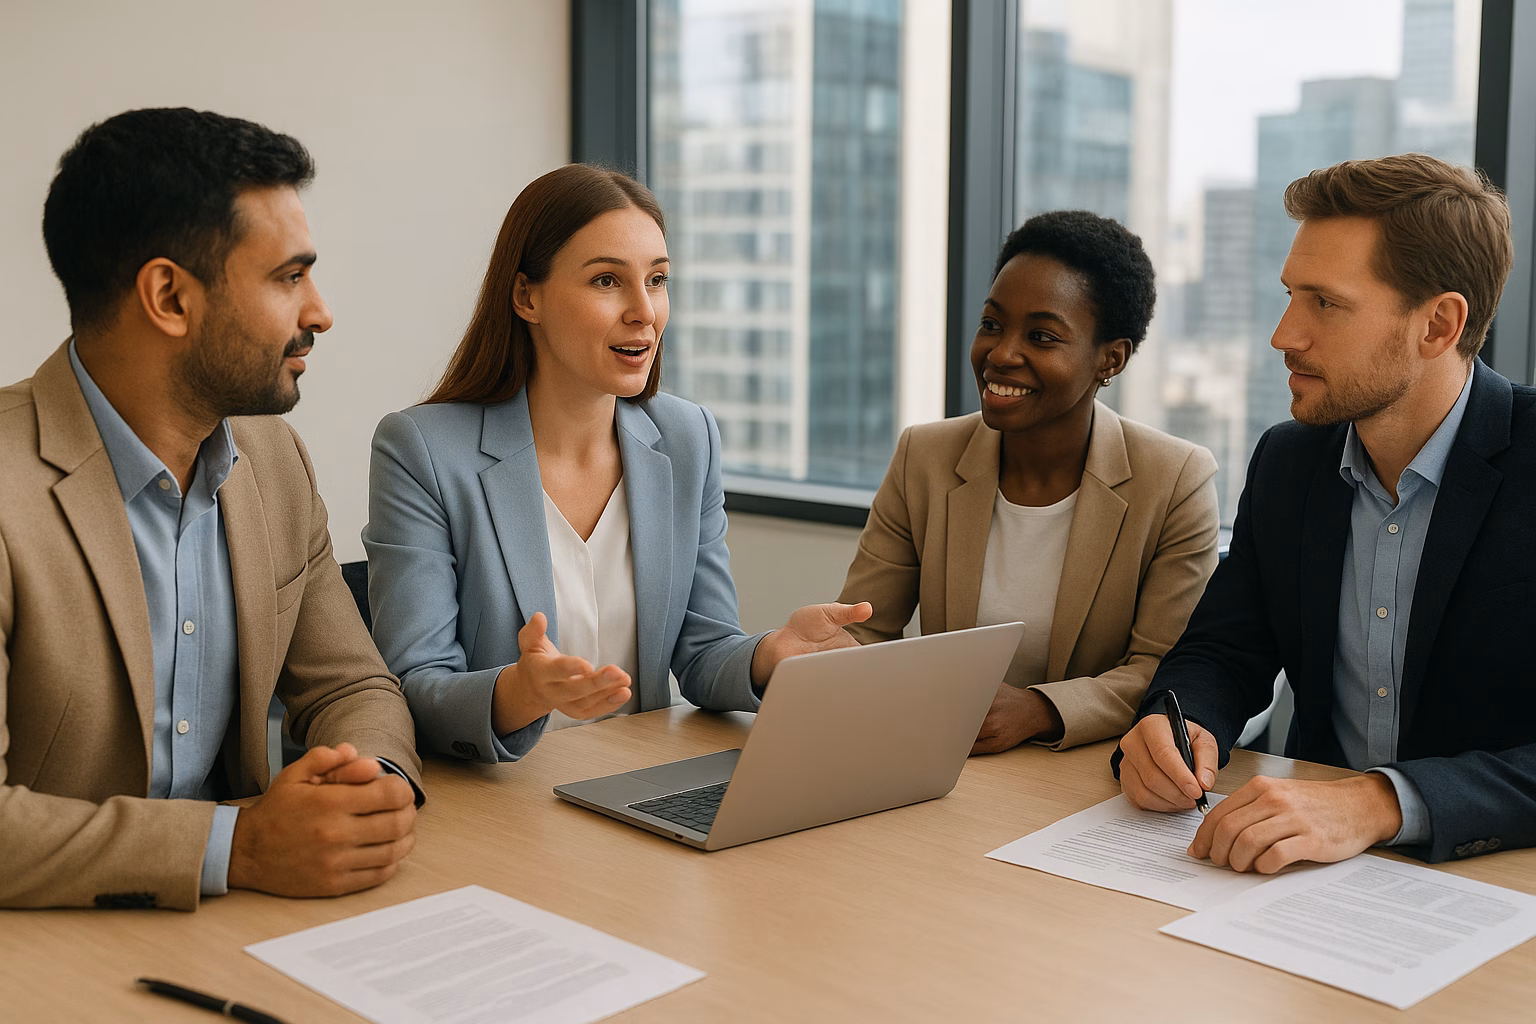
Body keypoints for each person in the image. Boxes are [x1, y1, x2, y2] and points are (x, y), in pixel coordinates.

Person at [0, 108, 423, 911]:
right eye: (288, 277)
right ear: (168, 296)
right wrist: (241, 845)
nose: (320, 312)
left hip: (231, 928)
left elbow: (352, 687)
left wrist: (371, 786)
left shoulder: (272, 458)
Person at [364, 164, 870, 762]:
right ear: (527, 296)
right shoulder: (421, 449)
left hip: (640, 783)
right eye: (607, 281)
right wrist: (517, 693)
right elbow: (414, 686)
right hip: (500, 806)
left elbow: (704, 649)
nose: (644, 312)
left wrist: (770, 654)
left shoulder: (688, 437)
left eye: (657, 281)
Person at [1115, 153, 1536, 869]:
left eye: (1326, 303)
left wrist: (1382, 800)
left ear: (1437, 325)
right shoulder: (1289, 461)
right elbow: (1225, 651)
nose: (1284, 335)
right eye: (1289, 296)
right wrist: (1178, 723)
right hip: (1305, 874)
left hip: (1493, 883)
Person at [837, 211, 1220, 754]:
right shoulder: (924, 456)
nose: (1001, 354)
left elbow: (1164, 670)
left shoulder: (1175, 479)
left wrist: (1040, 709)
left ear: (1110, 359)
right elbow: (865, 629)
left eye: (1041, 336)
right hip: (948, 761)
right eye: (992, 324)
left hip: (1087, 776)